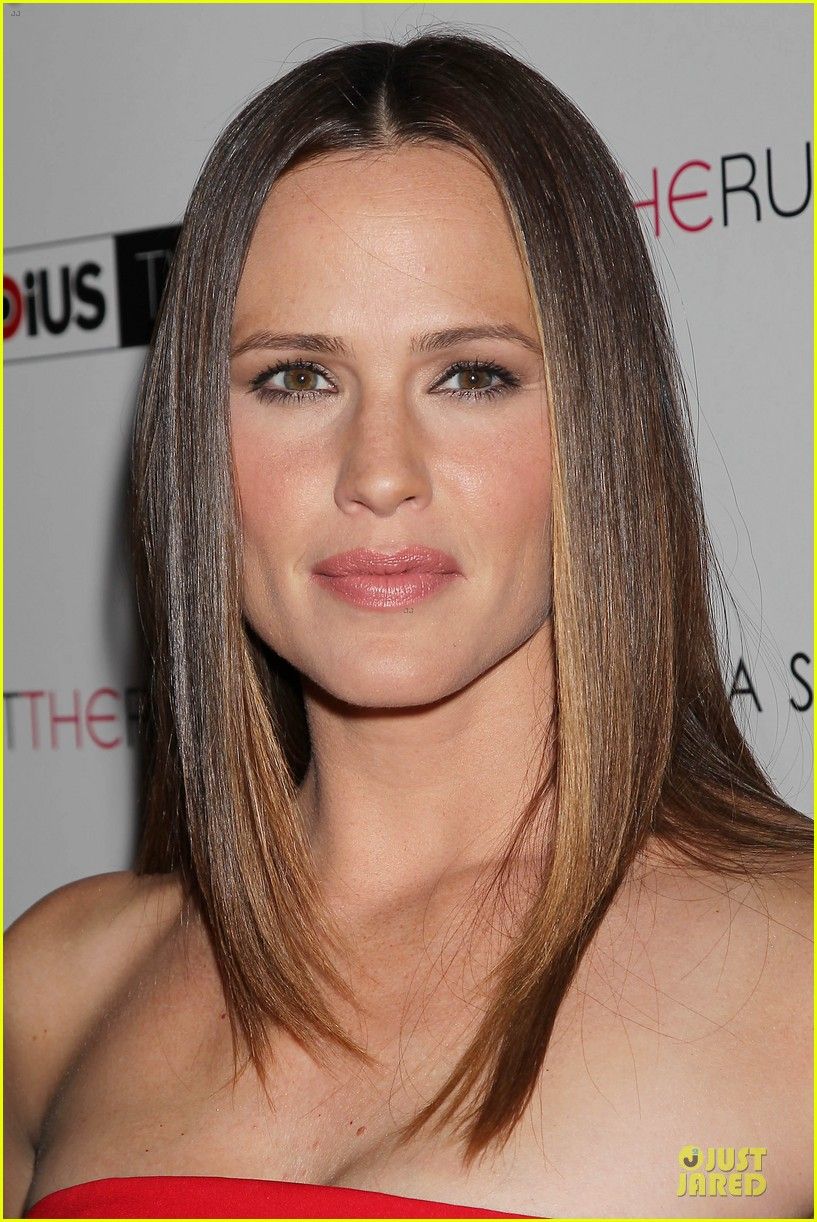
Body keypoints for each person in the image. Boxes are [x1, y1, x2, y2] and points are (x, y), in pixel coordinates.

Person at [5, 29, 812, 1220]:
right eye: (295, 378)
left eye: (470, 375)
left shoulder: (796, 985)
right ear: (197, 448)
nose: (379, 472)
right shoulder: (53, 992)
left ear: (600, 429)